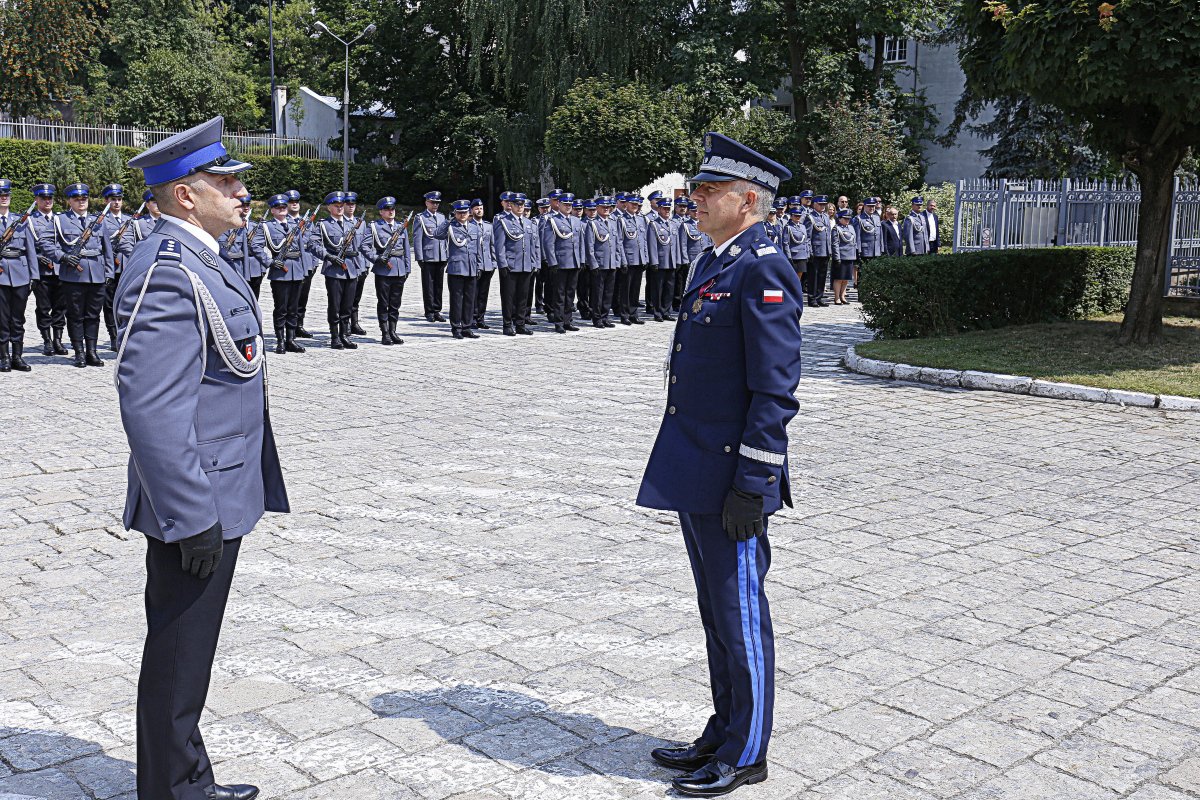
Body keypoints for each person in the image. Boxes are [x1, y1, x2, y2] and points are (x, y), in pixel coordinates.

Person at [119, 115, 289, 800]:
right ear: (185, 195)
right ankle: (173, 790)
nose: (240, 192)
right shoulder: (167, 269)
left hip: (216, 488)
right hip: (196, 499)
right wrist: (191, 515)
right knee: (180, 650)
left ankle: (182, 778)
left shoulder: (197, 257)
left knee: (189, 651)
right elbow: (150, 405)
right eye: (226, 181)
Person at [638, 131, 801, 798]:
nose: (694, 200)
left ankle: (748, 749)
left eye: (707, 193)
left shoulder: (763, 268)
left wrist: (755, 482)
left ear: (747, 199)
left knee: (739, 614)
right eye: (695, 191)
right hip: (697, 467)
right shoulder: (719, 260)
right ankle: (722, 728)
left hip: (732, 477)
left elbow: (774, 390)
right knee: (715, 611)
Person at [39, 182, 112, 368]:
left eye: (84, 198)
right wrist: (62, 256)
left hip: (96, 273)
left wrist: (109, 271)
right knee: (75, 315)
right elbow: (44, 242)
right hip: (73, 274)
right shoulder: (60, 220)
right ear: (69, 201)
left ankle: (92, 351)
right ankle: (79, 353)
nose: (81, 202)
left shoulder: (98, 221)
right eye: (76, 199)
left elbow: (107, 249)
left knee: (93, 315)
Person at [252, 193, 313, 354]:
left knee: (293, 307)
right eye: (278, 207)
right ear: (272, 210)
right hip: (280, 271)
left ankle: (290, 340)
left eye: (284, 207)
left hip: (297, 270)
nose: (282, 209)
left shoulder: (296, 224)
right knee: (281, 308)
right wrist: (270, 262)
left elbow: (302, 246)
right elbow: (256, 246)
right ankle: (280, 340)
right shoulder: (267, 227)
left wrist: (305, 269)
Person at [314, 191, 361, 350]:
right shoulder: (323, 224)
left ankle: (345, 335)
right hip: (334, 269)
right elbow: (313, 245)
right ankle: (335, 337)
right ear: (329, 207)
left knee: (347, 306)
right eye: (337, 205)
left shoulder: (352, 224)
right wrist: (328, 256)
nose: (340, 208)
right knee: (335, 305)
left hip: (351, 268)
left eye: (342, 205)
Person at [428, 198, 481, 339]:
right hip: (456, 268)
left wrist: (479, 266)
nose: (462, 215)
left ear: (469, 212)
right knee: (457, 300)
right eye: (459, 212)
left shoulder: (474, 227)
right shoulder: (451, 227)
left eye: (464, 212)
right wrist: (448, 221)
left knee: (470, 299)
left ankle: (467, 327)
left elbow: (478, 249)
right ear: (455, 213)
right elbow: (437, 234)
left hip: (471, 267)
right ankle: (456, 327)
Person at [0, 178, 38, 372]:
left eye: (6, 195)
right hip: (1, 275)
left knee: (18, 318)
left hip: (21, 273)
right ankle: (4, 357)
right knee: (2, 318)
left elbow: (30, 249)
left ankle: (17, 356)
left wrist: (34, 275)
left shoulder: (21, 222)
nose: (3, 198)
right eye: (1, 195)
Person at [27, 183, 69, 357]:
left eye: (49, 198)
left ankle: (58, 340)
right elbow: (27, 245)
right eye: (43, 198)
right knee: (43, 308)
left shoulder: (60, 219)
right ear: (36, 200)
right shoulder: (30, 220)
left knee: (61, 307)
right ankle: (47, 341)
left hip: (60, 270)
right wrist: (37, 257)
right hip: (42, 271)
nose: (47, 201)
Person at [368, 196, 411, 345]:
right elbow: (365, 247)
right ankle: (385, 332)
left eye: (392, 209)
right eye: (387, 209)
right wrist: (376, 258)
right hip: (383, 270)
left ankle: (393, 330)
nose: (391, 211)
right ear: (381, 212)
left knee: (395, 303)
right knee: (383, 302)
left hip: (399, 269)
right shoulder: (374, 227)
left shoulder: (401, 227)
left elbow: (406, 250)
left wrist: (407, 268)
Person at [100, 184, 136, 351]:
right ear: (106, 201)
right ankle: (114, 336)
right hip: (111, 266)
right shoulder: (100, 220)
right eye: (113, 199)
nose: (116, 202)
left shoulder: (131, 220)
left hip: (127, 266)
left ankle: (127, 334)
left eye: (119, 199)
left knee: (127, 303)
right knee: (109, 304)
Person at [541, 191, 582, 334]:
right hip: (560, 262)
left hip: (574, 262)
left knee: (570, 293)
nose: (568, 207)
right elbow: (548, 244)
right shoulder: (552, 221)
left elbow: (580, 243)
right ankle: (558, 322)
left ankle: (567, 320)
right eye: (565, 204)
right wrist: (552, 262)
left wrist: (581, 260)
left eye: (570, 205)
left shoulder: (576, 221)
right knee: (559, 294)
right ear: (559, 204)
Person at [494, 191, 532, 336]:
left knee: (523, 296)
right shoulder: (503, 221)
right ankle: (507, 324)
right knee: (509, 297)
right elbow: (500, 245)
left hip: (525, 264)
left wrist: (534, 263)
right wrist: (502, 264)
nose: (520, 207)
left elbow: (533, 245)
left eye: (522, 204)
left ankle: (520, 324)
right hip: (510, 265)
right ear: (511, 205)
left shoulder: (529, 222)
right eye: (517, 204)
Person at [584, 196, 624, 328]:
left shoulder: (613, 223)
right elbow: (590, 246)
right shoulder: (593, 224)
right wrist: (593, 264)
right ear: (597, 208)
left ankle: (605, 316)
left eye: (608, 207)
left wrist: (618, 262)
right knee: (598, 293)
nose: (606, 209)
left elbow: (617, 244)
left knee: (608, 292)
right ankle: (597, 318)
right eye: (603, 207)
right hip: (600, 264)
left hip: (611, 263)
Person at [283, 189, 316, 338]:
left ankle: (299, 325)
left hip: (307, 265)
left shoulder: (308, 221)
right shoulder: (284, 222)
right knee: (290, 299)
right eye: (291, 202)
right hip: (292, 265)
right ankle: (288, 327)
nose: (294, 204)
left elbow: (315, 242)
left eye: (296, 201)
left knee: (303, 297)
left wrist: (314, 264)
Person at [218, 196, 266, 299]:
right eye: (242, 205)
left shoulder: (256, 226)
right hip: (233, 266)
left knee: (253, 299)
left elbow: (260, 247)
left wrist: (263, 267)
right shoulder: (224, 225)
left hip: (253, 268)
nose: (246, 208)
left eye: (247, 205)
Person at [412, 191, 448, 322]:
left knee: (439, 285)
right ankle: (429, 311)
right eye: (433, 202)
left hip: (441, 255)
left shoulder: (442, 217)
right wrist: (419, 257)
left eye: (437, 202)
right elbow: (417, 238)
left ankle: (437, 310)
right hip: (428, 256)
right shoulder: (420, 218)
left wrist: (446, 254)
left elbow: (446, 237)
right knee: (428, 285)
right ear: (426, 202)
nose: (435, 205)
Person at [646, 197, 678, 322]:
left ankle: (666, 311)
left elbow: (677, 245)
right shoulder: (654, 224)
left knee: (669, 288)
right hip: (660, 262)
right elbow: (652, 244)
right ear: (659, 209)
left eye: (668, 209)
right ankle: (658, 312)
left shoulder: (672, 224)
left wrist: (677, 260)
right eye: (664, 208)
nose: (667, 211)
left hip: (671, 261)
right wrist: (653, 261)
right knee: (657, 288)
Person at [343, 192, 370, 336]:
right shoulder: (341, 222)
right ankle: (345, 324)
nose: (351, 206)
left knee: (356, 297)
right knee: (346, 297)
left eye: (353, 204)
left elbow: (365, 245)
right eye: (348, 204)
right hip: (347, 265)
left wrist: (366, 264)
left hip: (360, 265)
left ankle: (354, 323)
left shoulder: (362, 222)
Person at [470, 198, 496, 330]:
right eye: (476, 208)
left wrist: (494, 263)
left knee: (484, 293)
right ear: (471, 211)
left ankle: (481, 318)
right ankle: (472, 318)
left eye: (480, 208)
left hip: (487, 264)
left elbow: (492, 246)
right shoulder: (469, 225)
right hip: (475, 265)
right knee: (474, 293)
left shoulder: (488, 226)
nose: (479, 210)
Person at [806, 196, 831, 307]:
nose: (822, 206)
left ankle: (819, 297)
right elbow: (808, 236)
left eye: (824, 204)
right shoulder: (810, 217)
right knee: (813, 276)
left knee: (822, 275)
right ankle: (812, 298)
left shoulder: (825, 216)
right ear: (814, 204)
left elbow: (828, 234)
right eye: (820, 204)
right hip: (815, 250)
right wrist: (810, 251)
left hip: (825, 250)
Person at [851, 197, 882, 288]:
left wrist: (882, 248)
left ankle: (872, 291)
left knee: (874, 272)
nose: (871, 208)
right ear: (864, 206)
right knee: (863, 273)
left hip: (876, 250)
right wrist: (858, 251)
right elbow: (857, 237)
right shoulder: (859, 219)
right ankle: (862, 293)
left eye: (873, 206)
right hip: (865, 250)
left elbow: (880, 235)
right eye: (869, 206)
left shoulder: (876, 217)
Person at [831, 208, 858, 304]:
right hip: (841, 256)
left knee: (846, 278)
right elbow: (835, 244)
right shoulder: (836, 228)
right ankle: (836, 297)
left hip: (850, 255)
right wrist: (837, 257)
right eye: (845, 218)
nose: (847, 220)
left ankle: (842, 296)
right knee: (839, 278)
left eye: (848, 219)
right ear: (839, 219)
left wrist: (855, 255)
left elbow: (854, 242)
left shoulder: (851, 227)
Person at [781, 204, 809, 282]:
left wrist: (808, 253)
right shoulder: (788, 227)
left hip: (802, 255)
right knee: (792, 276)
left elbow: (806, 241)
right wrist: (788, 256)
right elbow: (786, 243)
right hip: (794, 256)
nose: (798, 217)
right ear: (791, 216)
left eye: (799, 216)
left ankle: (797, 292)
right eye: (796, 216)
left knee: (800, 276)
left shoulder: (803, 227)